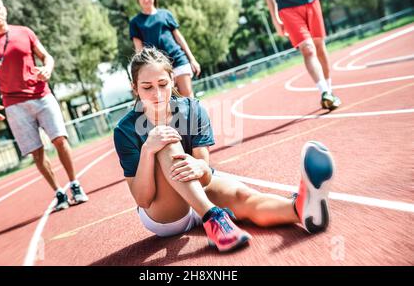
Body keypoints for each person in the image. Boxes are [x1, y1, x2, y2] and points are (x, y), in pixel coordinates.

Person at [113, 47, 335, 252]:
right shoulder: (125, 130)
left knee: (243, 196)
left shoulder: (192, 109)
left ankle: (301, 209)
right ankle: (213, 217)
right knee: (163, 138)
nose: (158, 94)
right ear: (135, 88)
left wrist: (199, 166)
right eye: (147, 87)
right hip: (165, 214)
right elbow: (143, 199)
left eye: (162, 84)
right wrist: (147, 151)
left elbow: (206, 175)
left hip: (197, 187)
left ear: (173, 79)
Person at [0, 0, 88, 211]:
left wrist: (47, 69)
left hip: (42, 95)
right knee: (36, 152)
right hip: (14, 105)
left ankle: (75, 185)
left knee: (60, 140)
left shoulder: (24, 32)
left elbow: (47, 56)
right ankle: (59, 192)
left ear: (5, 9)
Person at [261, 0, 342, 110]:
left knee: (319, 47)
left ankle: (329, 90)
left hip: (310, 0)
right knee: (308, 49)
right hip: (287, 9)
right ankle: (324, 92)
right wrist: (275, 20)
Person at [129, 0, 201, 98]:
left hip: (178, 59)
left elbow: (179, 37)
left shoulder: (166, 14)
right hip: (157, 66)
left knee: (188, 98)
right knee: (169, 103)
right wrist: (142, 71)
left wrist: (192, 59)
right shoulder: (135, 22)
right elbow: (139, 49)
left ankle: (194, 117)